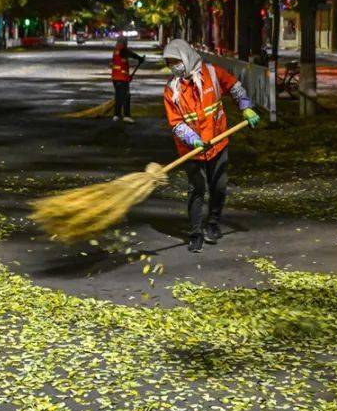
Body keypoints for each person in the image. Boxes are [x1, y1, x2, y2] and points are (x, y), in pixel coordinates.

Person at [162, 39, 260, 252]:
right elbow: (176, 123)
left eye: (175, 61)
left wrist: (245, 106)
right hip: (191, 150)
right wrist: (194, 140)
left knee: (219, 186)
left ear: (186, 57)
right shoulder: (172, 90)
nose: (173, 67)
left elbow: (234, 85)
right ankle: (195, 233)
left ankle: (213, 224)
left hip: (218, 142)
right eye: (169, 63)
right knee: (196, 188)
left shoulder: (212, 73)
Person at [111, 36, 145, 123]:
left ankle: (116, 115)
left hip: (116, 77)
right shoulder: (122, 49)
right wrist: (139, 58)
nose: (127, 43)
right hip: (121, 78)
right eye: (126, 41)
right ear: (124, 42)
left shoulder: (116, 49)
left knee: (118, 96)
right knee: (126, 96)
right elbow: (131, 54)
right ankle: (126, 115)